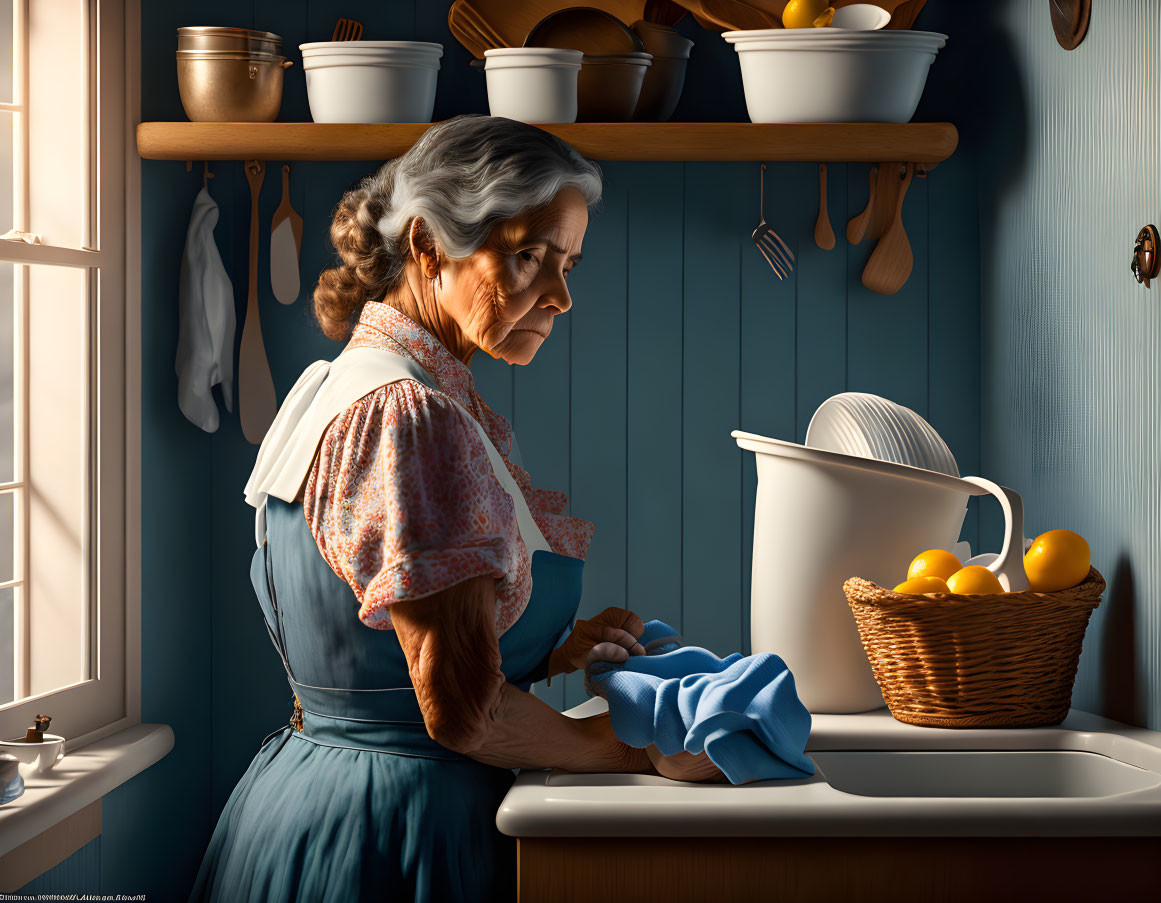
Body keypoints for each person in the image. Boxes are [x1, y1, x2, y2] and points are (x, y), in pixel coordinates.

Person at [190, 115, 719, 903]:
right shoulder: (410, 417)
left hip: (303, 800)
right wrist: (624, 748)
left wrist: (551, 643)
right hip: (399, 831)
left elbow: (365, 637)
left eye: (568, 262)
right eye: (529, 255)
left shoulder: (336, 383)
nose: (562, 295)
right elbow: (460, 714)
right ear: (429, 245)